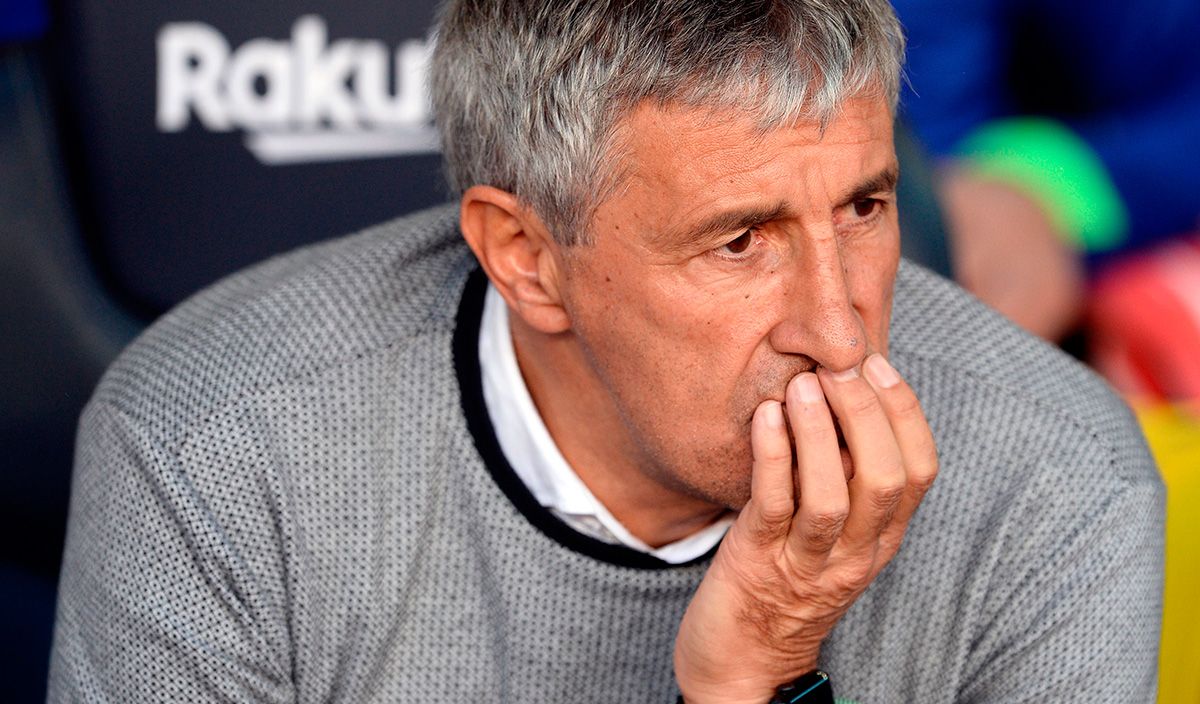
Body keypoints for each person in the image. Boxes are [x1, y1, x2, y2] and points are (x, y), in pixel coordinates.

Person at [48, 1, 1164, 702]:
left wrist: (752, 681)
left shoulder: (1060, 473)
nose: (840, 327)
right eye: (740, 240)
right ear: (527, 256)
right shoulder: (208, 441)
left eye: (865, 208)